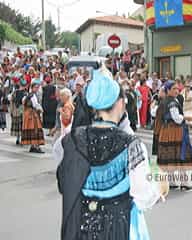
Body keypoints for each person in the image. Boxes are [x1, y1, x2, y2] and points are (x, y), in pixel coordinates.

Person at [54, 66, 165, 240]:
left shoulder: (71, 139)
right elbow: (143, 195)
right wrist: (159, 185)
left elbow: (63, 176)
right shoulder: (131, 145)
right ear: (120, 102)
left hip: (83, 224)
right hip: (117, 226)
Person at [157, 80, 192, 191]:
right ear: (168, 90)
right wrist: (186, 117)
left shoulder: (165, 101)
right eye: (173, 89)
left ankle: (172, 181)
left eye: (177, 88)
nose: (176, 90)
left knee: (171, 156)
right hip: (175, 131)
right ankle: (184, 182)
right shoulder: (172, 102)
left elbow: (155, 113)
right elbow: (177, 119)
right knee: (180, 155)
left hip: (166, 131)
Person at [21, 79, 45, 153]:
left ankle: (32, 146)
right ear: (32, 88)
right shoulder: (32, 95)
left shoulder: (28, 95)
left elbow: (23, 102)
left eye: (37, 87)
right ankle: (36, 147)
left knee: (32, 129)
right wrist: (41, 110)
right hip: (32, 114)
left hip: (27, 113)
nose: (37, 89)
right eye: (36, 87)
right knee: (36, 129)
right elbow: (36, 105)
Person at [10, 79, 27, 144]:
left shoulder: (14, 92)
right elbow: (25, 103)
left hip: (15, 110)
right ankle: (21, 139)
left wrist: (11, 110)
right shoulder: (25, 93)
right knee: (21, 125)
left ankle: (18, 138)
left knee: (17, 125)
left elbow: (11, 101)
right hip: (22, 111)